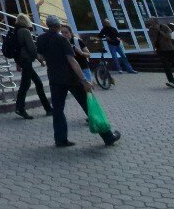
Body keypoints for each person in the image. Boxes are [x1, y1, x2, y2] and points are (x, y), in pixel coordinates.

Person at [37, 15, 121, 148]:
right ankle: (108, 136)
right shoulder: (62, 39)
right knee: (87, 105)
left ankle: (60, 139)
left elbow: (40, 56)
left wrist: (49, 59)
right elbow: (72, 61)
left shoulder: (41, 38)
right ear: (58, 26)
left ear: (47, 25)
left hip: (54, 78)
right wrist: (84, 80)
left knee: (58, 110)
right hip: (71, 78)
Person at [13, 14, 52, 119]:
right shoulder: (25, 31)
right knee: (26, 84)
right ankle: (20, 107)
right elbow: (32, 48)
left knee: (37, 83)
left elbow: (16, 49)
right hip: (26, 60)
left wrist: (17, 62)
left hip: (22, 60)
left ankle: (48, 108)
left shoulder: (16, 31)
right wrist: (40, 59)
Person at [146, 17, 174, 88]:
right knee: (166, 66)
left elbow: (169, 36)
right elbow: (153, 40)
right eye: (150, 22)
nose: (150, 24)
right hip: (160, 50)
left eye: (151, 22)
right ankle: (171, 82)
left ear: (155, 22)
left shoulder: (164, 27)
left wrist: (160, 32)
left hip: (170, 49)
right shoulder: (151, 30)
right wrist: (154, 48)